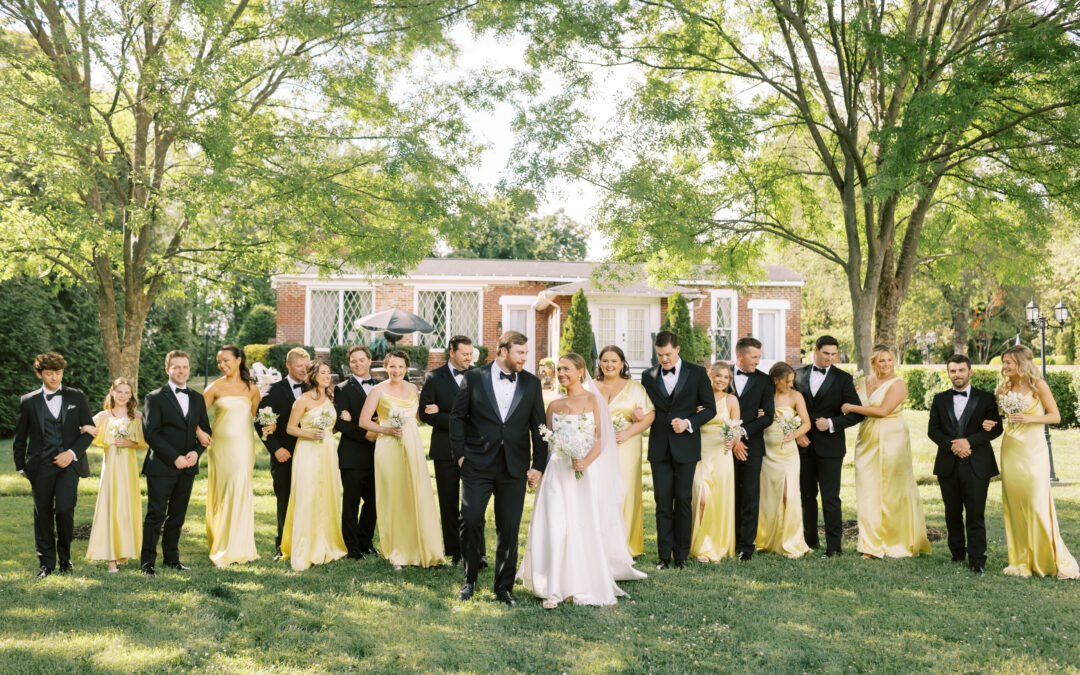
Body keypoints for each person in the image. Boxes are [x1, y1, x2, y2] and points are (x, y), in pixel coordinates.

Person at [518, 353, 647, 609]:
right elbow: (546, 442)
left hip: (584, 474)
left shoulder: (594, 401)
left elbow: (602, 439)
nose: (562, 373)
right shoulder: (554, 406)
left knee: (580, 525)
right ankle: (552, 587)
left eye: (567, 369)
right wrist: (538, 470)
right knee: (555, 524)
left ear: (580, 371)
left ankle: (581, 582)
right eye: (559, 369)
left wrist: (585, 461)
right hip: (557, 472)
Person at [450, 331, 548, 606]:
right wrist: (460, 455)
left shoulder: (531, 383)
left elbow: (539, 426)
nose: (525, 358)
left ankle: (503, 587)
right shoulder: (474, 377)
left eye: (526, 353)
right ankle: (469, 580)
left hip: (513, 467)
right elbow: (457, 417)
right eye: (520, 353)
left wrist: (538, 465)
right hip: (476, 464)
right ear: (502, 351)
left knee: (509, 528)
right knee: (469, 519)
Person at [995, 345, 1078, 578]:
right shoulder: (1004, 388)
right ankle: (1021, 560)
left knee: (1036, 502)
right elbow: (1001, 415)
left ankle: (1047, 559)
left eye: (1008, 362)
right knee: (1015, 504)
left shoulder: (1038, 385)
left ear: (1021, 363)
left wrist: (1029, 418)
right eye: (1004, 362)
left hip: (1033, 451)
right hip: (1011, 448)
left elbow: (1055, 416)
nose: (1004, 367)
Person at [842, 345, 930, 559]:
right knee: (868, 489)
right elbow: (850, 403)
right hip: (867, 437)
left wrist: (852, 408)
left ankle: (896, 541)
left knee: (891, 489)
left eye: (890, 360)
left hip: (892, 437)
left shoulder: (898, 384)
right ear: (873, 362)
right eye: (882, 361)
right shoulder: (863, 382)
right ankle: (870, 545)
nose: (887, 364)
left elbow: (883, 411)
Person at [359, 350, 445, 569]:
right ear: (385, 367)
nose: (396, 371)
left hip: (413, 444)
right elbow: (363, 422)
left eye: (400, 367)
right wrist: (386, 429)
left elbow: (418, 418)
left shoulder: (414, 389)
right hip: (388, 446)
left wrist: (434, 410)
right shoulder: (377, 390)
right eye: (392, 366)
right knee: (393, 496)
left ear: (407, 369)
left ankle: (418, 547)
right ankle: (395, 550)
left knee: (414, 493)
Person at [13, 352, 94, 579]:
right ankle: (46, 563)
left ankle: (65, 559)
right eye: (49, 374)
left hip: (68, 465)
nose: (54, 378)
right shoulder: (28, 401)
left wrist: (71, 453)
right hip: (40, 467)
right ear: (39, 374)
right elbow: (20, 437)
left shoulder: (76, 397)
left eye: (58, 373)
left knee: (65, 509)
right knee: (43, 514)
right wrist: (22, 466)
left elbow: (89, 431)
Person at [640, 330, 716, 570]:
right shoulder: (648, 376)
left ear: (678, 350)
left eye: (668, 354)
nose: (664, 360)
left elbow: (710, 409)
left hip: (686, 447)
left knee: (683, 500)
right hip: (659, 448)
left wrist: (689, 423)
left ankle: (681, 555)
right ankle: (664, 556)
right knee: (662, 501)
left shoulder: (697, 373)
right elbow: (645, 408)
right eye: (660, 355)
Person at [927, 354, 1003, 574]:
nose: (957, 374)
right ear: (948, 373)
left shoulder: (987, 398)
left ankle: (977, 559)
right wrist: (954, 446)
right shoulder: (939, 399)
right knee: (952, 512)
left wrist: (968, 442)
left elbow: (996, 428)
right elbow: (933, 431)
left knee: (975, 513)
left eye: (961, 370)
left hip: (977, 464)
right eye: (953, 371)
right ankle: (957, 553)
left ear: (970, 371)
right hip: (947, 464)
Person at [141, 350, 212, 575]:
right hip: (161, 466)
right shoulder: (154, 397)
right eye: (176, 367)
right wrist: (175, 457)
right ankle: (147, 562)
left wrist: (196, 453)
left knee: (178, 515)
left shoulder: (197, 398)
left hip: (188, 466)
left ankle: (172, 559)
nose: (181, 371)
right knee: (156, 514)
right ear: (168, 370)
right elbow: (151, 434)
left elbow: (205, 431)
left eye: (185, 367)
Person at [419, 335, 486, 566]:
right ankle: (456, 552)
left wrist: (445, 413)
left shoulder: (480, 375)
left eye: (471, 354)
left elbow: (486, 413)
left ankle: (478, 552)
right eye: (465, 354)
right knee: (448, 502)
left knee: (475, 502)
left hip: (475, 448)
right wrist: (460, 417)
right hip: (444, 448)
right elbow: (426, 414)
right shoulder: (434, 377)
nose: (469, 358)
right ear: (451, 351)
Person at [793, 335, 862, 558]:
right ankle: (809, 541)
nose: (830, 358)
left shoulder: (843, 379)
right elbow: (788, 407)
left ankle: (834, 547)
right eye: (826, 354)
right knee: (806, 495)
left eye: (834, 354)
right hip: (803, 446)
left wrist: (832, 423)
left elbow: (856, 413)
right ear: (815, 350)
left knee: (830, 498)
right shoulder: (798, 375)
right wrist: (796, 435)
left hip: (831, 448)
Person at [281, 361, 348, 571]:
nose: (328, 376)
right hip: (308, 451)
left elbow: (330, 428)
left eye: (329, 373)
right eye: (323, 373)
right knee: (308, 495)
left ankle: (326, 542)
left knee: (327, 494)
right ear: (313, 376)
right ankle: (305, 546)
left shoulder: (331, 398)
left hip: (328, 450)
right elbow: (291, 428)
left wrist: (342, 421)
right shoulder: (302, 400)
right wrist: (311, 434)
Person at [202, 345, 261, 567]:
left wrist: (270, 427)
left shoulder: (252, 389)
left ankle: (239, 545)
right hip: (220, 448)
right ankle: (221, 541)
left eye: (226, 360)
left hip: (244, 446)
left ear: (238, 360)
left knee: (239, 487)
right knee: (223, 489)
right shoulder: (214, 387)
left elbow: (259, 418)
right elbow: (198, 416)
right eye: (219, 362)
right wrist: (200, 431)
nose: (222, 365)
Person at [595, 345, 654, 557]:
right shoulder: (590, 387)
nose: (609, 365)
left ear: (622, 363)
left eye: (614, 361)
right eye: (605, 361)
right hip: (598, 447)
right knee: (599, 492)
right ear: (599, 363)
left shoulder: (635, 388)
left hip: (626, 446)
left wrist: (629, 432)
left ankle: (627, 546)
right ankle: (600, 545)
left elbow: (649, 415)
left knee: (626, 492)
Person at [85, 378, 149, 572]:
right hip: (111, 470)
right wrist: (83, 427)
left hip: (129, 471)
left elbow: (145, 443)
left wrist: (129, 443)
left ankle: (123, 551)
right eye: (119, 391)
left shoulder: (137, 417)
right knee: (111, 507)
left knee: (126, 508)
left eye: (126, 393)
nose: (122, 396)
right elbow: (86, 430)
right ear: (112, 392)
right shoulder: (104, 416)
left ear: (131, 396)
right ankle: (110, 558)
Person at [255, 347, 310, 561]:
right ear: (288, 366)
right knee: (284, 499)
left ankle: (306, 541)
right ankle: (282, 545)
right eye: (299, 366)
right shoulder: (274, 391)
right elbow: (260, 422)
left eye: (306, 366)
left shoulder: (314, 389)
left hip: (310, 454)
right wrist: (276, 448)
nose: (303, 370)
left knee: (308, 498)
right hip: (284, 455)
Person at [755, 362, 812, 558]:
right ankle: (769, 541)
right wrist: (758, 416)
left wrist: (795, 434)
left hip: (788, 453)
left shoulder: (795, 396)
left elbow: (806, 423)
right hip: (767, 453)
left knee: (789, 494)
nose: (790, 384)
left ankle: (792, 541)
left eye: (792, 381)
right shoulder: (764, 396)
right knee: (769, 497)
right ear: (775, 379)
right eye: (786, 381)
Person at [730, 337, 775, 561]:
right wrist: (732, 439)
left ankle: (746, 546)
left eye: (759, 356)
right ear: (740, 356)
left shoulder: (764, 381)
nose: (758, 361)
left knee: (749, 495)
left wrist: (742, 433)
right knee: (727, 495)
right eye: (754, 357)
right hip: (723, 447)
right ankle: (726, 541)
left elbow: (768, 416)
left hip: (752, 447)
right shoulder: (721, 375)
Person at [689, 361, 739, 562]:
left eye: (726, 377)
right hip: (700, 452)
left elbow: (736, 429)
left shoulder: (731, 400)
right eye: (718, 376)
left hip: (722, 455)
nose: (721, 380)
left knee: (718, 499)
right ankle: (698, 544)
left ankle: (715, 544)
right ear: (711, 376)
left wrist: (733, 440)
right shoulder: (699, 397)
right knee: (701, 497)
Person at [334, 345, 379, 560]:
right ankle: (352, 547)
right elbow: (342, 425)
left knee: (374, 501)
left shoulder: (381, 387)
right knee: (351, 503)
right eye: (353, 361)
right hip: (352, 455)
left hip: (378, 455)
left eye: (361, 360)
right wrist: (367, 435)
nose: (358, 364)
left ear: (370, 361)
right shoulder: (342, 388)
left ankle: (366, 541)